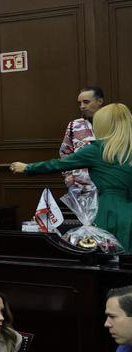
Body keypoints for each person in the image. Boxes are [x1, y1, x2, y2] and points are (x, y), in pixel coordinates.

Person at [12, 103, 132, 253]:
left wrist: (27, 167)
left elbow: (59, 164)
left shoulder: (97, 149)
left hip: (110, 211)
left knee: (110, 260)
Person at [60, 86, 105, 191]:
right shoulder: (74, 125)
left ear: (100, 101)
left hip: (109, 186)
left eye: (86, 102)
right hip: (80, 187)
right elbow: (65, 152)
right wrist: (69, 176)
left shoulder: (115, 123)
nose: (82, 106)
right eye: (80, 103)